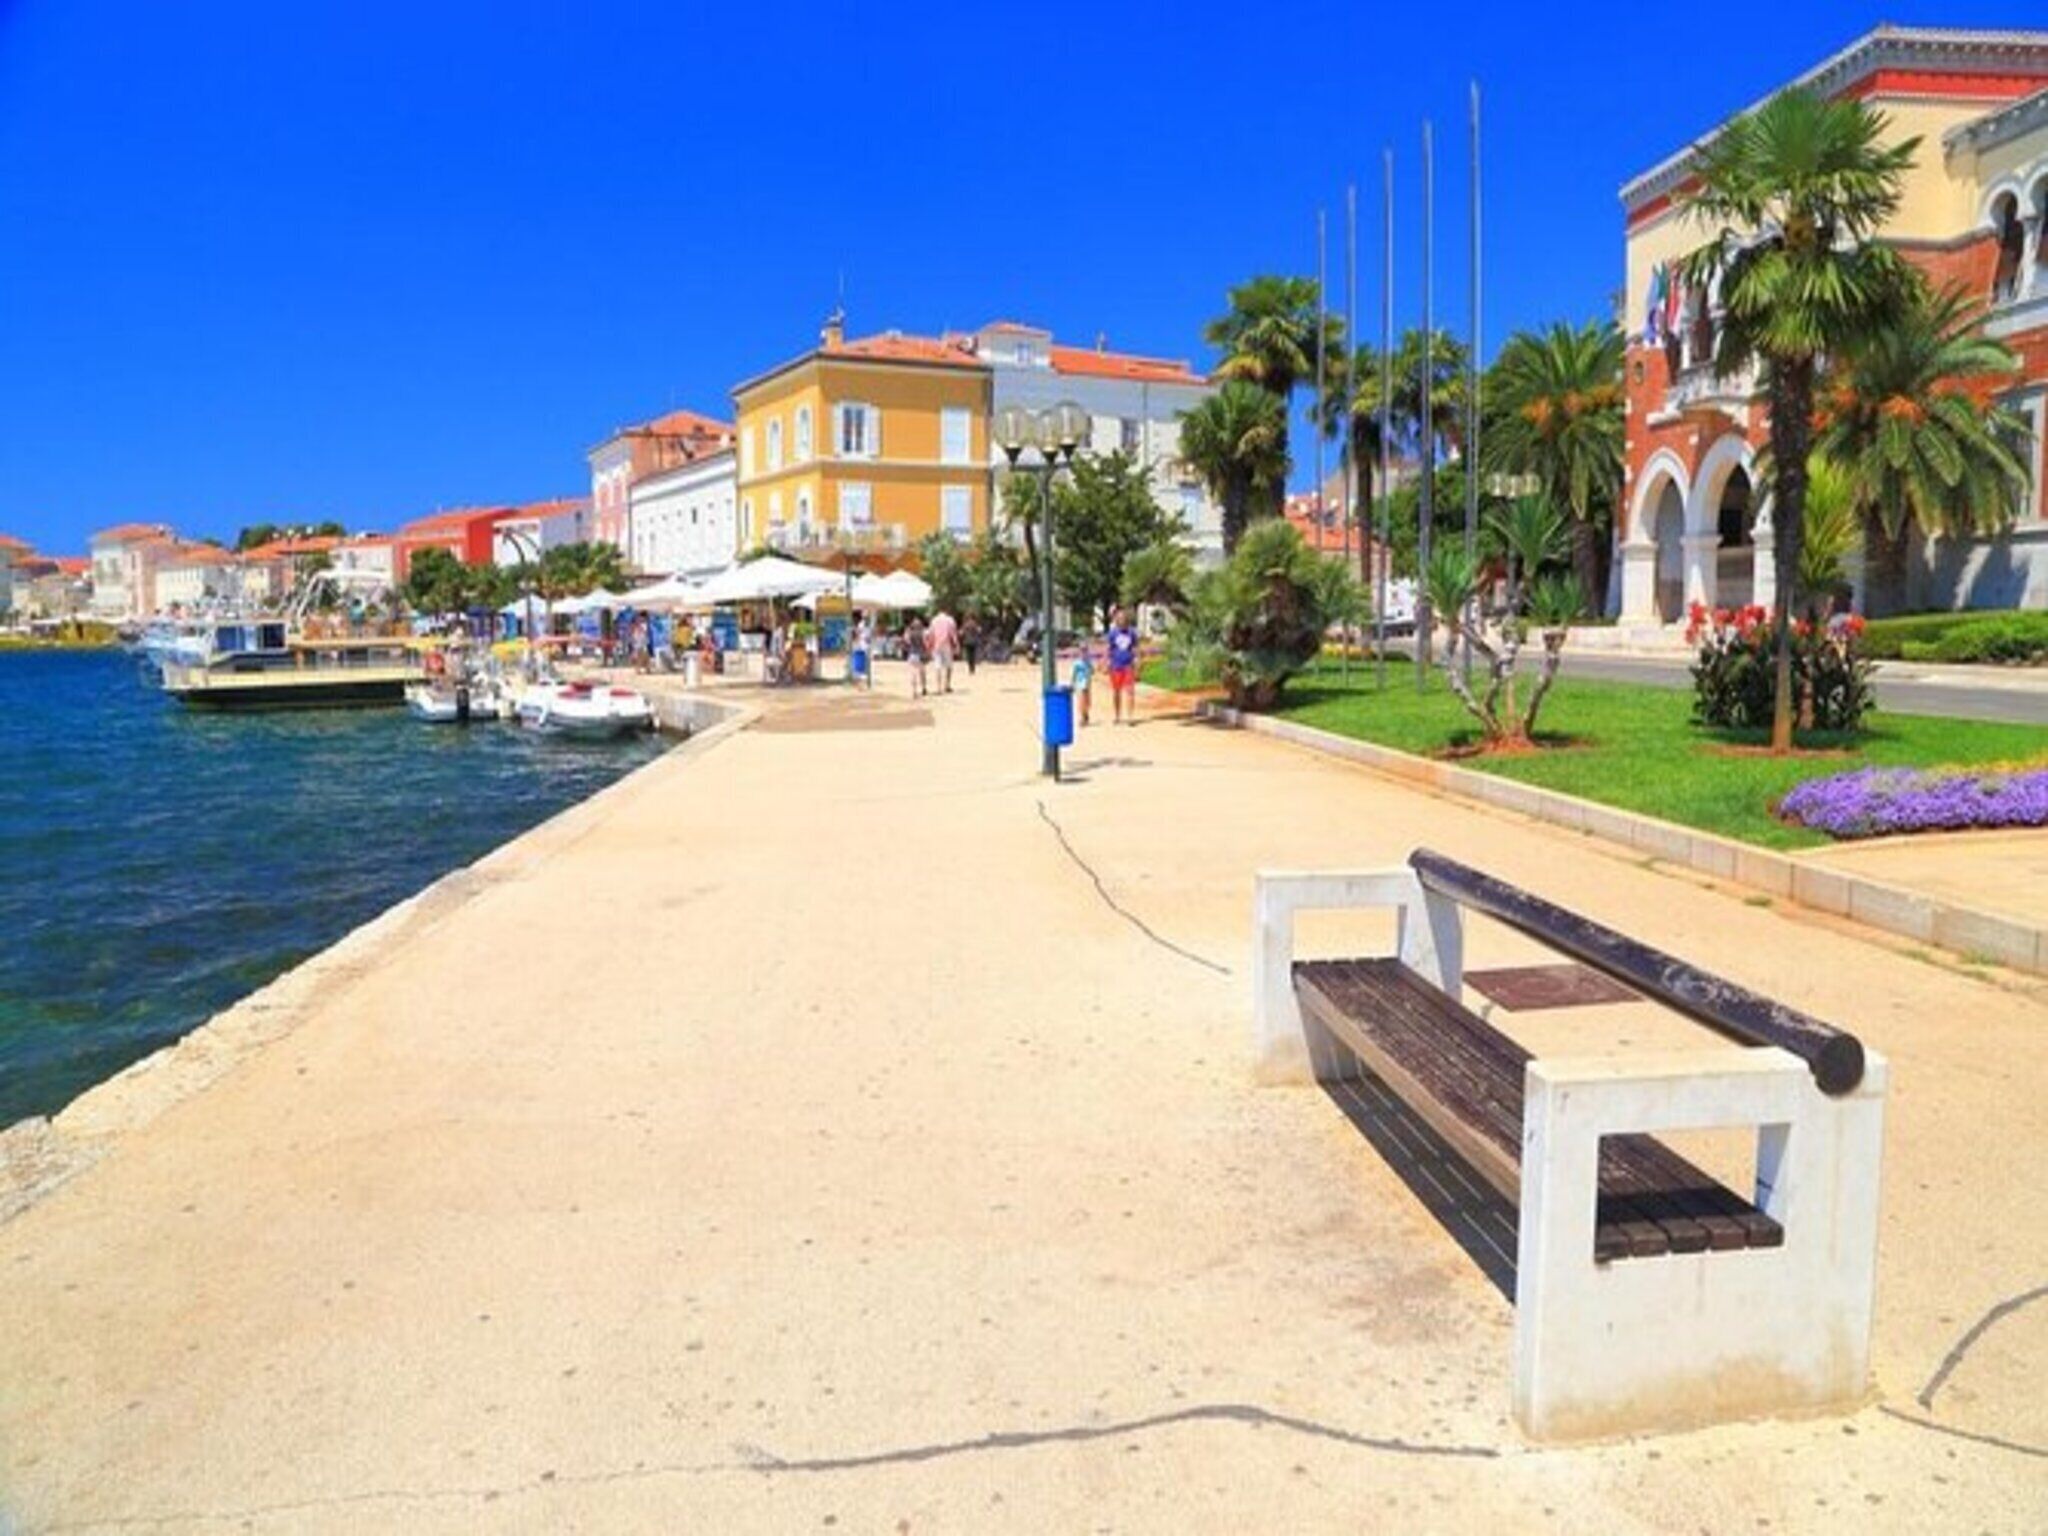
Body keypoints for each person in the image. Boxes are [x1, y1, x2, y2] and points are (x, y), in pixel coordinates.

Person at [1106, 605, 1140, 726]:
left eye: (1124, 618)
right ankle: (1117, 715)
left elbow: (1135, 648)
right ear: (1116, 620)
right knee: (1116, 692)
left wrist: (1137, 662)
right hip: (1115, 666)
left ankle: (1130, 717)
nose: (1122, 620)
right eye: (1119, 618)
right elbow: (1109, 649)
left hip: (1128, 666)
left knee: (1130, 691)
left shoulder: (1132, 632)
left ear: (1127, 619)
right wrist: (1107, 662)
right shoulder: (1112, 633)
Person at [927, 607, 959, 694]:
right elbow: (953, 633)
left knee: (937, 666)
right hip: (946, 644)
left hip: (936, 645)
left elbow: (931, 634)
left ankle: (938, 687)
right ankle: (947, 685)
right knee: (949, 666)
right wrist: (956, 645)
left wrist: (929, 646)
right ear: (946, 611)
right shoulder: (950, 620)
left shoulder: (934, 620)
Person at [1071, 634, 1095, 727]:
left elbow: (1092, 671)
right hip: (1080, 684)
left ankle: (1085, 714)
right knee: (1081, 700)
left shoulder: (1088, 661)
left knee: (1087, 701)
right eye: (1082, 650)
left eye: (1085, 650)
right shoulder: (1077, 663)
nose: (1083, 652)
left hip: (1087, 684)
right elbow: (1073, 674)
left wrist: (1091, 669)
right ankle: (1082, 717)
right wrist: (1072, 683)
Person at [902, 614, 928, 698]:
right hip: (921, 654)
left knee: (913, 673)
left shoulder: (909, 632)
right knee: (922, 672)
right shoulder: (923, 632)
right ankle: (923, 688)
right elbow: (925, 643)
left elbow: (907, 641)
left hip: (912, 654)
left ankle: (914, 691)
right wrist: (927, 651)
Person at [850, 613, 873, 690]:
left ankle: (863, 684)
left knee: (862, 667)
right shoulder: (862, 625)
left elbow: (859, 635)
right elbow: (858, 635)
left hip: (863, 647)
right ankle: (861, 684)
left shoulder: (863, 625)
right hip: (861, 647)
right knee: (860, 667)